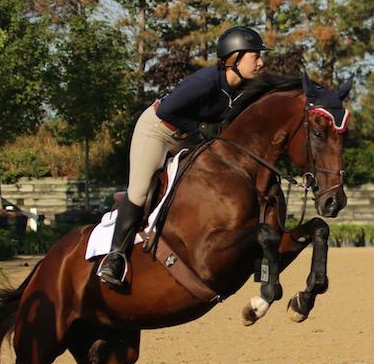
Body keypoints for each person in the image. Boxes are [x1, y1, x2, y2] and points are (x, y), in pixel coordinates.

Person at [97, 26, 271, 287]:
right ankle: (115, 256)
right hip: (158, 130)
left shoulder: (245, 88)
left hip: (188, 137)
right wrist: (201, 128)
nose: (260, 61)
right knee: (140, 191)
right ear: (235, 58)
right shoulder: (205, 81)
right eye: (254, 55)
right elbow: (167, 110)